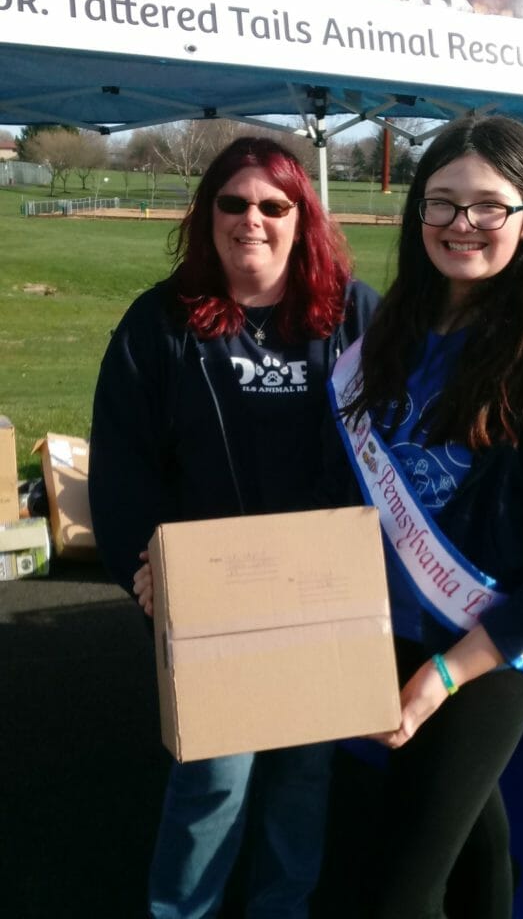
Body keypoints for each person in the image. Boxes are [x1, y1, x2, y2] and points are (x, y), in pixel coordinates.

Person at [330, 113, 523, 919]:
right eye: (439, 202)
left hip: (485, 652)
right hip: (391, 632)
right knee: (473, 850)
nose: (460, 224)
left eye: (486, 206)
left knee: (397, 889)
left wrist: (443, 676)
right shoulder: (393, 329)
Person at [88, 135, 379, 919]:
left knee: (303, 780)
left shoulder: (351, 313)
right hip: (219, 602)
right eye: (234, 203)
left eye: (273, 206)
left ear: (301, 217)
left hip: (322, 595)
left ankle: (280, 910)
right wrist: (142, 564)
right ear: (207, 213)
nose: (252, 219)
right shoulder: (160, 322)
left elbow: (398, 441)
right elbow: (121, 467)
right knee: (212, 781)